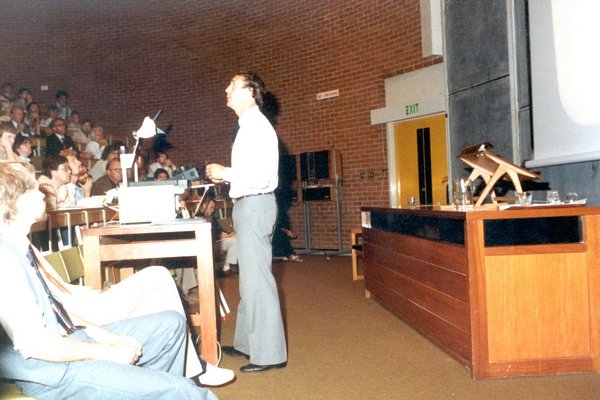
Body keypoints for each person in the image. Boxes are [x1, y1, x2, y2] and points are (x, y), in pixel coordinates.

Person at [0, 161, 221, 399]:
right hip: (52, 373)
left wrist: (110, 337)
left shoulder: (19, 244)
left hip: (68, 340)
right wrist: (108, 352)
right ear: (21, 202)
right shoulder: (5, 259)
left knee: (171, 325)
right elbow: (38, 346)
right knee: (186, 392)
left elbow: (57, 311)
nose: (43, 193)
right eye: (35, 189)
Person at [207, 71, 287, 373]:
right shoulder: (247, 126)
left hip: (255, 206)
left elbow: (263, 177)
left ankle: (270, 355)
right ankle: (246, 344)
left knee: (258, 282)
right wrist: (226, 174)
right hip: (248, 206)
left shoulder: (256, 127)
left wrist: (224, 171)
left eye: (232, 85)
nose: (226, 89)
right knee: (249, 280)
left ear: (250, 92)